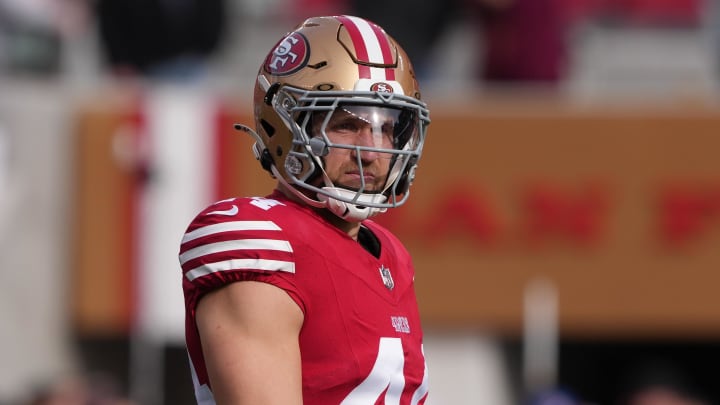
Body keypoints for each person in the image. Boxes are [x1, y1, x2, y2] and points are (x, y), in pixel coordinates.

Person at [178, 15, 431, 405]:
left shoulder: (393, 256)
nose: (371, 150)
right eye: (347, 123)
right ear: (287, 124)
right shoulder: (258, 237)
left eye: (386, 127)